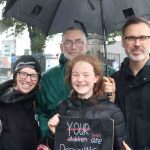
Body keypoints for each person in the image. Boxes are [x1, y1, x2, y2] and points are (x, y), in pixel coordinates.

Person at [36, 27, 116, 144]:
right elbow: (41, 112)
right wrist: (47, 136)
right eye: (68, 42)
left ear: (86, 45)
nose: (73, 47)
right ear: (61, 47)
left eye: (79, 42)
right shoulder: (47, 79)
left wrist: (112, 97)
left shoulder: (108, 74)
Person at [47, 54, 129, 150]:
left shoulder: (113, 111)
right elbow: (57, 147)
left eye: (86, 75)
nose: (80, 79)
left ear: (96, 78)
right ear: (70, 77)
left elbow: (122, 147)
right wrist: (53, 133)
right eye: (75, 75)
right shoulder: (63, 107)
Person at [103, 16, 150, 150]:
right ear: (123, 42)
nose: (137, 43)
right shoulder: (112, 82)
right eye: (131, 38)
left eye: (143, 37)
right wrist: (109, 101)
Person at [0, 55, 41, 150]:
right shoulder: (2, 102)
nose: (28, 79)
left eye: (34, 76)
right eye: (23, 74)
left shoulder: (37, 102)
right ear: (15, 75)